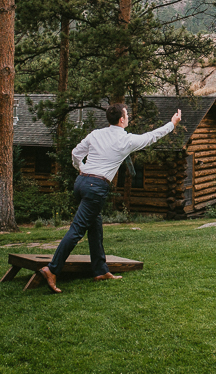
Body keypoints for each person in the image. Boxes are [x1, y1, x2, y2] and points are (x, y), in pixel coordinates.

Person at [39, 103, 182, 293]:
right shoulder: (126, 140)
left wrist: (81, 168)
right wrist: (172, 123)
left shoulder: (96, 134)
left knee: (95, 225)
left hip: (81, 183)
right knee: (76, 230)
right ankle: (52, 269)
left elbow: (75, 153)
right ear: (122, 119)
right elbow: (151, 137)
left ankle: (100, 270)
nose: (128, 116)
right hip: (95, 187)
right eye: (127, 114)